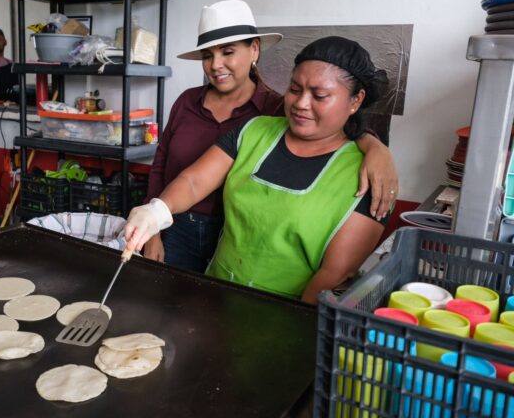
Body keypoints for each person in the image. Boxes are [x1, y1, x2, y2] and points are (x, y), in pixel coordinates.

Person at [126, 36, 390, 305]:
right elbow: (194, 182)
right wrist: (157, 210)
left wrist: (296, 324)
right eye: (295, 89)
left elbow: (334, 274)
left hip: (287, 311)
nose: (301, 103)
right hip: (216, 292)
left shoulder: (367, 175)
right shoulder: (254, 130)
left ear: (355, 101)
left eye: (319, 95)